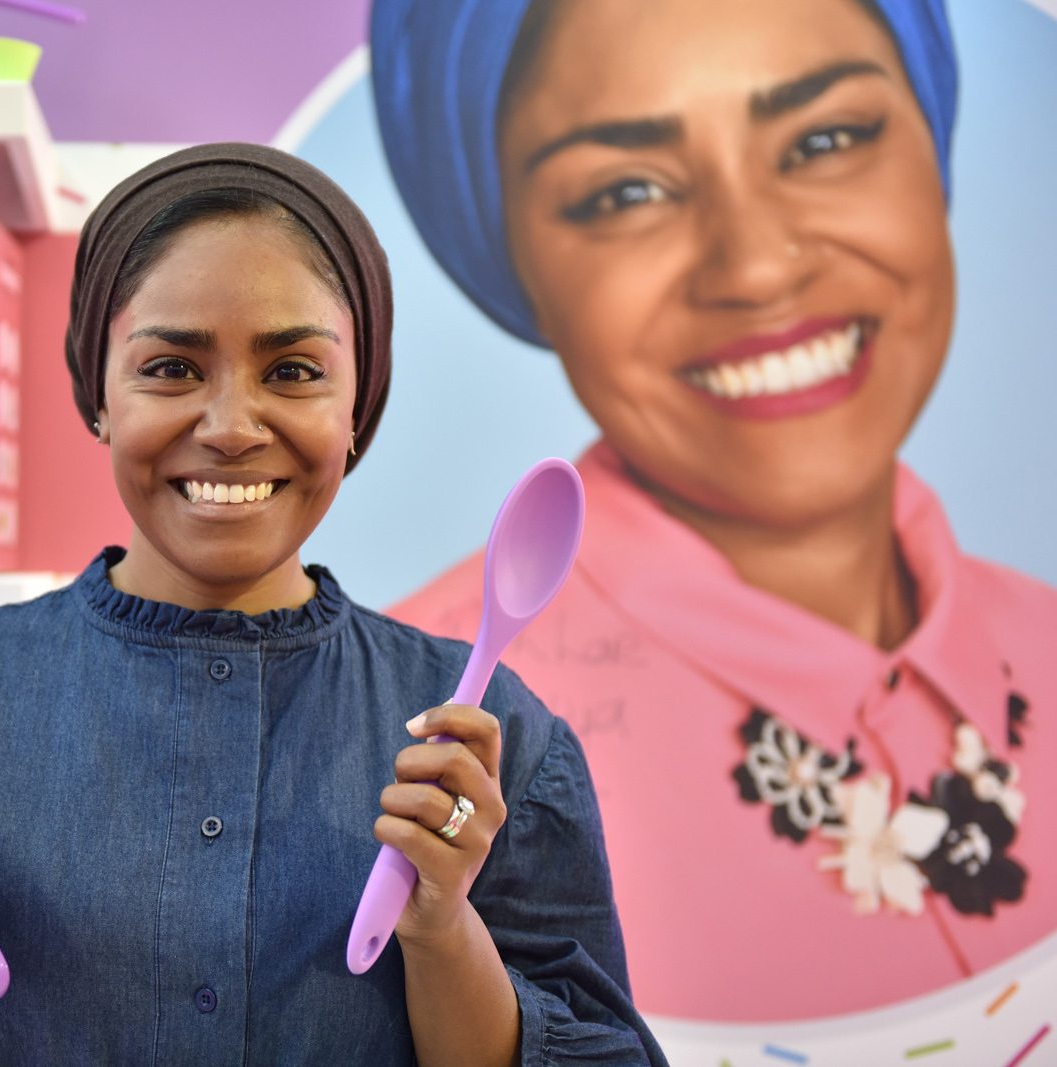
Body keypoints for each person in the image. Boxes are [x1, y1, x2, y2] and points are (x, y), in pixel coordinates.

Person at [0, 143, 664, 1066]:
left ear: (355, 405)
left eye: (293, 370)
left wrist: (445, 925)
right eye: (169, 367)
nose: (231, 425)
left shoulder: (491, 740)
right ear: (97, 393)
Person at [374, 0, 1056, 1024]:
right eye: (625, 191)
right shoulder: (414, 716)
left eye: (824, 139)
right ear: (507, 257)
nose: (755, 267)